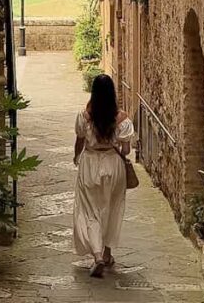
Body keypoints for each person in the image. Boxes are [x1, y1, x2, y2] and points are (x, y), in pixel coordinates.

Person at [72, 73, 135, 277]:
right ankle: (107, 254)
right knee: (111, 208)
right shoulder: (122, 119)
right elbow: (126, 150)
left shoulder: (84, 116)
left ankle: (98, 256)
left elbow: (80, 142)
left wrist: (76, 157)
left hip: (90, 163)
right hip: (113, 165)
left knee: (90, 211)